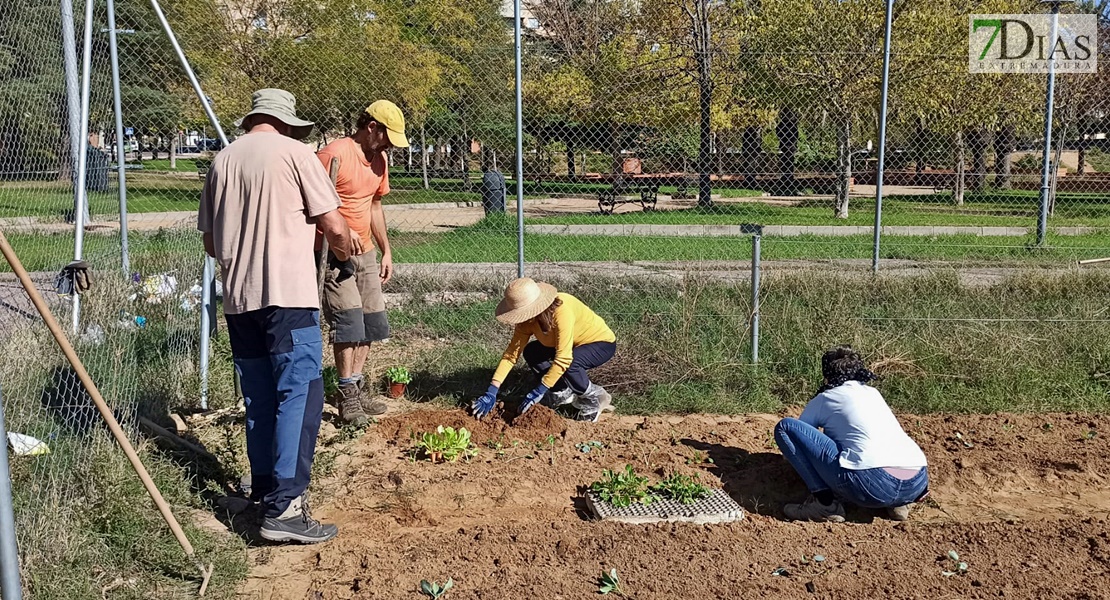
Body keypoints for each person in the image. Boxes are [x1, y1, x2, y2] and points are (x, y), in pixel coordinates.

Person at [199, 88, 352, 544]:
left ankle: (265, 488)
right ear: (285, 123)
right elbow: (335, 225)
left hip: (239, 301)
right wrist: (342, 252)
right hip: (287, 297)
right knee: (299, 396)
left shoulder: (222, 161)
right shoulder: (296, 154)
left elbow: (210, 243)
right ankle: (286, 509)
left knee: (260, 398)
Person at [316, 100, 408, 426]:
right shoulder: (334, 154)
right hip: (334, 254)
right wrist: (341, 230)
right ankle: (345, 394)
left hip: (366, 252)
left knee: (371, 321)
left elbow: (375, 208)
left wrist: (387, 250)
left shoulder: (380, 161)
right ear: (372, 128)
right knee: (348, 321)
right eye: (386, 137)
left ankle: (355, 384)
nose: (388, 146)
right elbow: (312, 204)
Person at [774, 346, 929, 523]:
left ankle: (825, 504)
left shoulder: (825, 398)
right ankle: (899, 504)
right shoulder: (873, 393)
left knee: (785, 426)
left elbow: (798, 442)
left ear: (827, 375)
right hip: (917, 483)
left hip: (871, 485)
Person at [472, 278, 617, 422]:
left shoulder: (561, 311)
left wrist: (539, 390)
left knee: (571, 363)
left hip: (600, 343)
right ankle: (561, 392)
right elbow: (511, 355)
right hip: (570, 345)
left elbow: (564, 358)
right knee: (532, 351)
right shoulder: (526, 322)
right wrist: (491, 391)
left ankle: (595, 398)